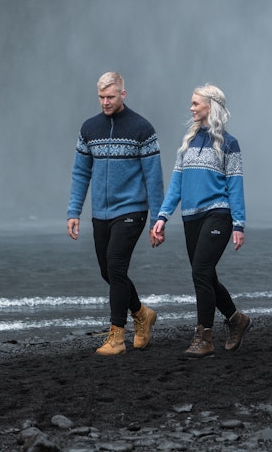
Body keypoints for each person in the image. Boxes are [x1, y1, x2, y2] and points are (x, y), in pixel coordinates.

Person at [67, 71, 164, 356]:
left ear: (123, 94)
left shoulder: (142, 128)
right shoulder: (89, 128)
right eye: (101, 97)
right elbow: (80, 172)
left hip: (133, 209)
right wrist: (74, 211)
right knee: (107, 271)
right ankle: (142, 314)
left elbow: (154, 177)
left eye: (110, 97)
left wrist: (158, 219)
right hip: (101, 212)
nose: (105, 102)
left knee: (116, 265)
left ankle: (117, 336)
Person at [151, 84, 251, 358]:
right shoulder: (188, 143)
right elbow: (176, 186)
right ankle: (236, 319)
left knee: (200, 273)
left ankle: (204, 336)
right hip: (190, 217)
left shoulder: (229, 144)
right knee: (205, 275)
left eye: (196, 103)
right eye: (191, 103)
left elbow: (235, 186)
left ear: (211, 106)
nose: (191, 107)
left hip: (218, 214)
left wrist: (239, 224)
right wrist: (162, 217)